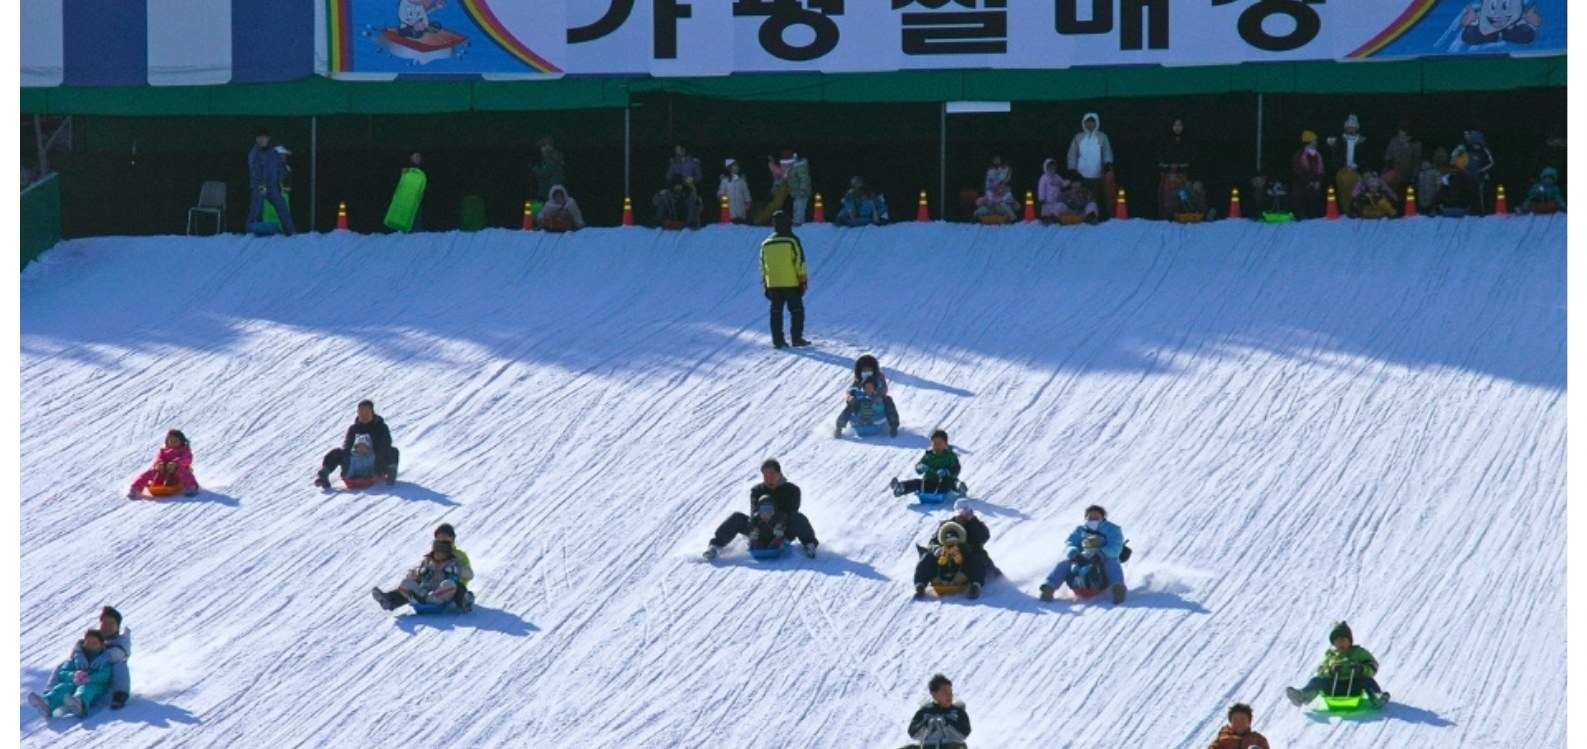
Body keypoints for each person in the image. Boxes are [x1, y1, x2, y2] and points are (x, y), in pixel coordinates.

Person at [703, 458, 819, 559]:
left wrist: (780, 524)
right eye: (765, 475)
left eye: (771, 474)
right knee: (737, 517)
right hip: (760, 527)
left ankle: (809, 545)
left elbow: (791, 511)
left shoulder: (792, 490)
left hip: (783, 529)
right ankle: (715, 546)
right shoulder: (757, 490)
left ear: (779, 474)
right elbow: (754, 511)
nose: (768, 478)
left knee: (798, 517)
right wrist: (755, 526)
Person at [1285, 621, 1391, 708]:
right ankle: (1303, 696)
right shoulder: (1331, 656)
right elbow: (1321, 671)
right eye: (1337, 641)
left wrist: (1361, 669)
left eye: (1343, 640)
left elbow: (1373, 665)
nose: (1340, 643)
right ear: (1333, 643)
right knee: (1317, 681)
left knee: (1368, 681)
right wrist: (1330, 671)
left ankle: (1377, 697)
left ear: (1349, 641)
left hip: (1353, 686)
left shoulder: (1358, 652)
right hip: (1334, 687)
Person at [1039, 504, 1127, 604]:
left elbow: (1115, 546)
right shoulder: (1080, 530)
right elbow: (1070, 543)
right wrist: (1075, 554)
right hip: (1083, 559)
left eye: (1096, 517)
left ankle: (1118, 589)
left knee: (1112, 563)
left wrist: (1100, 555)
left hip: (1102, 560)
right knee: (1064, 564)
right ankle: (1049, 588)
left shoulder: (1112, 529)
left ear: (1103, 518)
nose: (1093, 520)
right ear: (1086, 518)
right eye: (1090, 517)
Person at [912, 499, 994, 599]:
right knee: (927, 556)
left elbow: (985, 536)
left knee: (978, 558)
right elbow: (932, 542)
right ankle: (920, 585)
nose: (965, 516)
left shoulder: (974, 525)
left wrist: (973, 523)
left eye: (968, 513)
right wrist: (937, 549)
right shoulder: (945, 525)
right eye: (963, 513)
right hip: (945, 555)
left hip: (966, 557)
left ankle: (976, 585)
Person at [28, 629, 114, 719]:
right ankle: (47, 703)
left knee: (86, 688)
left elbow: (105, 675)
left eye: (94, 642)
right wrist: (74, 675)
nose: (90, 645)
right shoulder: (77, 658)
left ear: (101, 645)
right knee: (64, 687)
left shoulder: (103, 659)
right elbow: (63, 673)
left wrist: (90, 678)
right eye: (87, 642)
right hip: (75, 685)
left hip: (96, 688)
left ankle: (80, 704)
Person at [314, 400, 400, 488]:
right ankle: (323, 475)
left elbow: (385, 444)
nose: (364, 414)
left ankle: (391, 473)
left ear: (372, 412)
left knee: (392, 451)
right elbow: (347, 445)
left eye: (367, 412)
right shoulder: (354, 429)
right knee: (336, 452)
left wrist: (377, 463)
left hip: (376, 462)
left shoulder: (380, 427)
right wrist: (347, 461)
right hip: (356, 462)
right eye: (361, 412)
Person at [372, 539, 475, 612]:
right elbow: (410, 576)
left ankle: (432, 600)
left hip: (439, 593)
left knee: (450, 584)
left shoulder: (454, 562)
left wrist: (454, 570)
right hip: (423, 591)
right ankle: (415, 599)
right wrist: (420, 572)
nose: (439, 555)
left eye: (443, 553)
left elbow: (470, 574)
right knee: (406, 583)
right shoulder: (427, 562)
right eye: (437, 553)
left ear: (448, 553)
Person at [759, 210, 809, 349]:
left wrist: (766, 282)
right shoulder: (792, 240)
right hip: (791, 282)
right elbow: (800, 262)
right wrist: (803, 280)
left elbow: (762, 265)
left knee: (776, 312)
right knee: (797, 310)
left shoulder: (766, 243)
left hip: (773, 283)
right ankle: (796, 338)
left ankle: (778, 340)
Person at [835, 354, 900, 437]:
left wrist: (876, 393)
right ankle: (839, 426)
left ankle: (893, 425)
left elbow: (884, 389)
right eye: (864, 370)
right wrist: (851, 398)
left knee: (888, 400)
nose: (866, 372)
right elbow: (851, 390)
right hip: (862, 407)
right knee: (852, 404)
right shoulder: (858, 381)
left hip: (876, 406)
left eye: (868, 369)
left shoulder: (879, 378)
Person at [247, 128, 296, 235]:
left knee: (282, 207)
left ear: (268, 139)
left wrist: (283, 179)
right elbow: (254, 170)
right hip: (260, 186)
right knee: (256, 209)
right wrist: (260, 183)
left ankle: (291, 233)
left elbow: (279, 168)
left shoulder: (273, 153)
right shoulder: (254, 153)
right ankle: (252, 231)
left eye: (263, 138)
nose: (261, 140)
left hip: (272, 186)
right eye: (259, 138)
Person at [889, 429, 964, 497]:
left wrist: (947, 471)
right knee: (917, 483)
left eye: (940, 443)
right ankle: (901, 488)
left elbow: (956, 468)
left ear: (945, 444)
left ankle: (959, 487)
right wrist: (920, 467)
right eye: (934, 443)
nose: (937, 445)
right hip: (930, 482)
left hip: (944, 484)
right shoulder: (928, 456)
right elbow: (918, 466)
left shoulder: (950, 456)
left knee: (949, 482)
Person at [1067, 112, 1114, 219]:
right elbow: (1072, 154)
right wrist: (1072, 169)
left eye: (1092, 122)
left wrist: (1108, 163)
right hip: (1081, 174)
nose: (1090, 124)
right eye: (1088, 122)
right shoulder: (1078, 137)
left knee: (1096, 198)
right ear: (1084, 123)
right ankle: (1081, 216)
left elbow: (1107, 152)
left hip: (1097, 174)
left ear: (1096, 123)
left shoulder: (1102, 136)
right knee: (1081, 197)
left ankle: (1096, 216)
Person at [128, 429, 200, 497]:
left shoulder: (184, 450)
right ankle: (135, 488)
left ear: (181, 441)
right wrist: (159, 464)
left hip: (177, 473)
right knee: (151, 471)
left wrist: (176, 463)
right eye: (170, 441)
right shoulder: (163, 451)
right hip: (164, 471)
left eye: (175, 441)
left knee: (183, 472)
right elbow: (158, 458)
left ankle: (192, 487)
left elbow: (187, 459)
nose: (172, 443)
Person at [907, 674, 971, 749]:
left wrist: (946, 723)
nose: (949, 696)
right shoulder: (925, 712)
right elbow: (913, 733)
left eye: (950, 692)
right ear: (934, 695)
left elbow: (964, 733)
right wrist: (928, 724)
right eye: (945, 693)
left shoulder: (958, 712)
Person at [1158, 118, 1193, 218]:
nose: (1177, 128)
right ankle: (1168, 213)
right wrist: (1169, 166)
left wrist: (1181, 166)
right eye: (1175, 126)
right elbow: (1160, 158)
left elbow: (1190, 158)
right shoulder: (1165, 140)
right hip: (1168, 174)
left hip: (1183, 174)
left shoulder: (1187, 141)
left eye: (1180, 125)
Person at [1326, 114, 1367, 201]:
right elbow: (1335, 156)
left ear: (1357, 128)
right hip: (1342, 170)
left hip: (1358, 171)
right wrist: (1342, 166)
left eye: (1353, 127)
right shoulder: (1340, 141)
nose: (1351, 129)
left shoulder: (1362, 141)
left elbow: (1365, 157)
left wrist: (1357, 165)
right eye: (1349, 127)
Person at [98, 606, 132, 710]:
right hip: (92, 674)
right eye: (104, 624)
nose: (107, 627)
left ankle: (120, 695)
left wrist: (104, 656)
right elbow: (80, 649)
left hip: (111, 678)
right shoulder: (94, 638)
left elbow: (122, 653)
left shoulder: (121, 641)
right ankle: (52, 695)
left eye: (111, 624)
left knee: (120, 665)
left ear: (118, 627)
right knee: (65, 665)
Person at [1291, 131, 1326, 219]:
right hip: (1302, 186)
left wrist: (1318, 182)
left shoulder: (1318, 155)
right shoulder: (1299, 154)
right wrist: (1309, 182)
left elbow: (1321, 170)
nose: (1316, 142)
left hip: (1315, 186)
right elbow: (1298, 170)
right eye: (1314, 140)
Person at [1381, 120, 1422, 194]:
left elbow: (1417, 161)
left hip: (1408, 176)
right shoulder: (1393, 141)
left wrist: (1414, 176)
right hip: (1394, 177)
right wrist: (1390, 162)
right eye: (1400, 130)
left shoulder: (1416, 144)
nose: (1401, 132)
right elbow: (1388, 154)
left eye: (1403, 130)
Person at [717, 158, 753, 224]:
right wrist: (721, 197)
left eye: (737, 165)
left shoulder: (742, 181)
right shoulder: (725, 181)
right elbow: (721, 193)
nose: (737, 167)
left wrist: (747, 203)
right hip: (729, 213)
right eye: (735, 165)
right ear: (730, 168)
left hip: (741, 213)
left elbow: (746, 193)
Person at [532, 136, 566, 203]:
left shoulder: (552, 159)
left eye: (543, 146)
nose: (541, 149)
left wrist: (535, 169)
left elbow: (545, 173)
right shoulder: (549, 159)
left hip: (552, 194)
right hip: (550, 193)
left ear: (548, 147)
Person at [784, 151, 813, 226]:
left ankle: (798, 223)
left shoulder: (799, 167)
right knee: (796, 207)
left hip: (801, 193)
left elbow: (804, 179)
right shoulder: (791, 168)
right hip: (796, 192)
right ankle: (796, 221)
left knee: (799, 207)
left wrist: (803, 190)